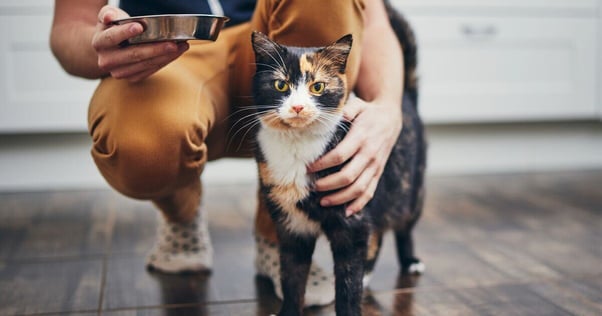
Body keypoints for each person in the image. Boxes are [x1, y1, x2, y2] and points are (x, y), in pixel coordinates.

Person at [50, 0, 404, 306]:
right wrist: (102, 45)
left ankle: (280, 233)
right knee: (142, 149)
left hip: (277, 43)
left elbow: (373, 21)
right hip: (167, 54)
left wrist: (389, 107)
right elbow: (69, 26)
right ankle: (180, 211)